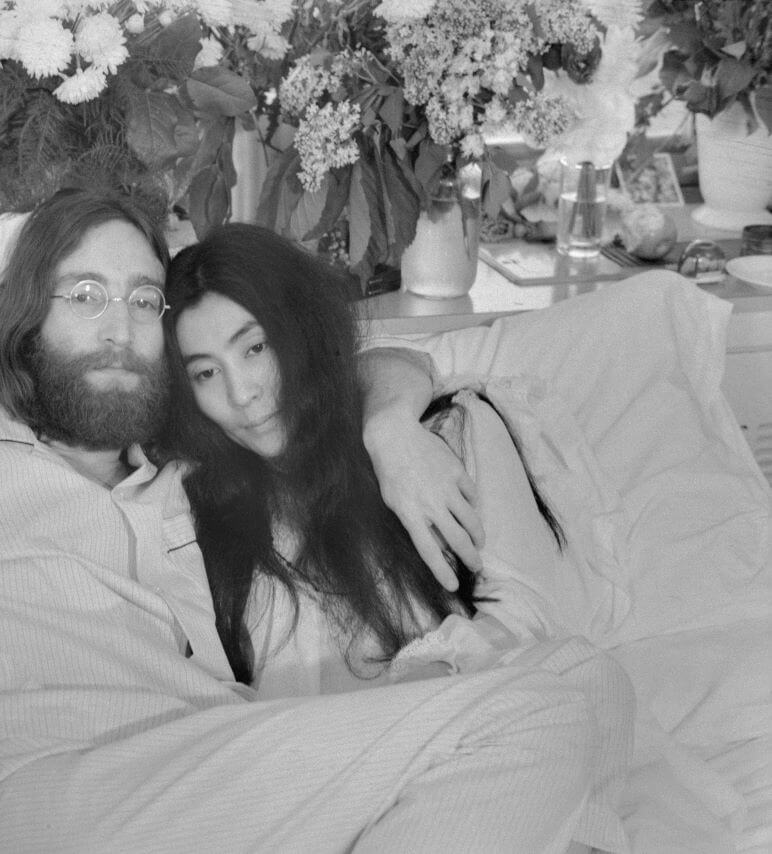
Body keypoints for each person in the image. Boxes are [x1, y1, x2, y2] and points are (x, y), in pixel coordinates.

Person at [0, 190, 608, 852]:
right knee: (545, 702)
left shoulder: (178, 465)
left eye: (142, 301)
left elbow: (323, 366)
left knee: (564, 691)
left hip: (202, 769)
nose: (116, 325)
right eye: (84, 295)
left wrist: (393, 411)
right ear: (24, 318)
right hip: (37, 784)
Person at [160, 222, 632, 848]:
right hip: (327, 783)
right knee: (574, 699)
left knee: (588, 675)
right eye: (205, 374)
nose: (242, 394)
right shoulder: (197, 509)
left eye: (254, 348)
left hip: (470, 735)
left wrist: (386, 426)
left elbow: (532, 613)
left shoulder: (441, 435)